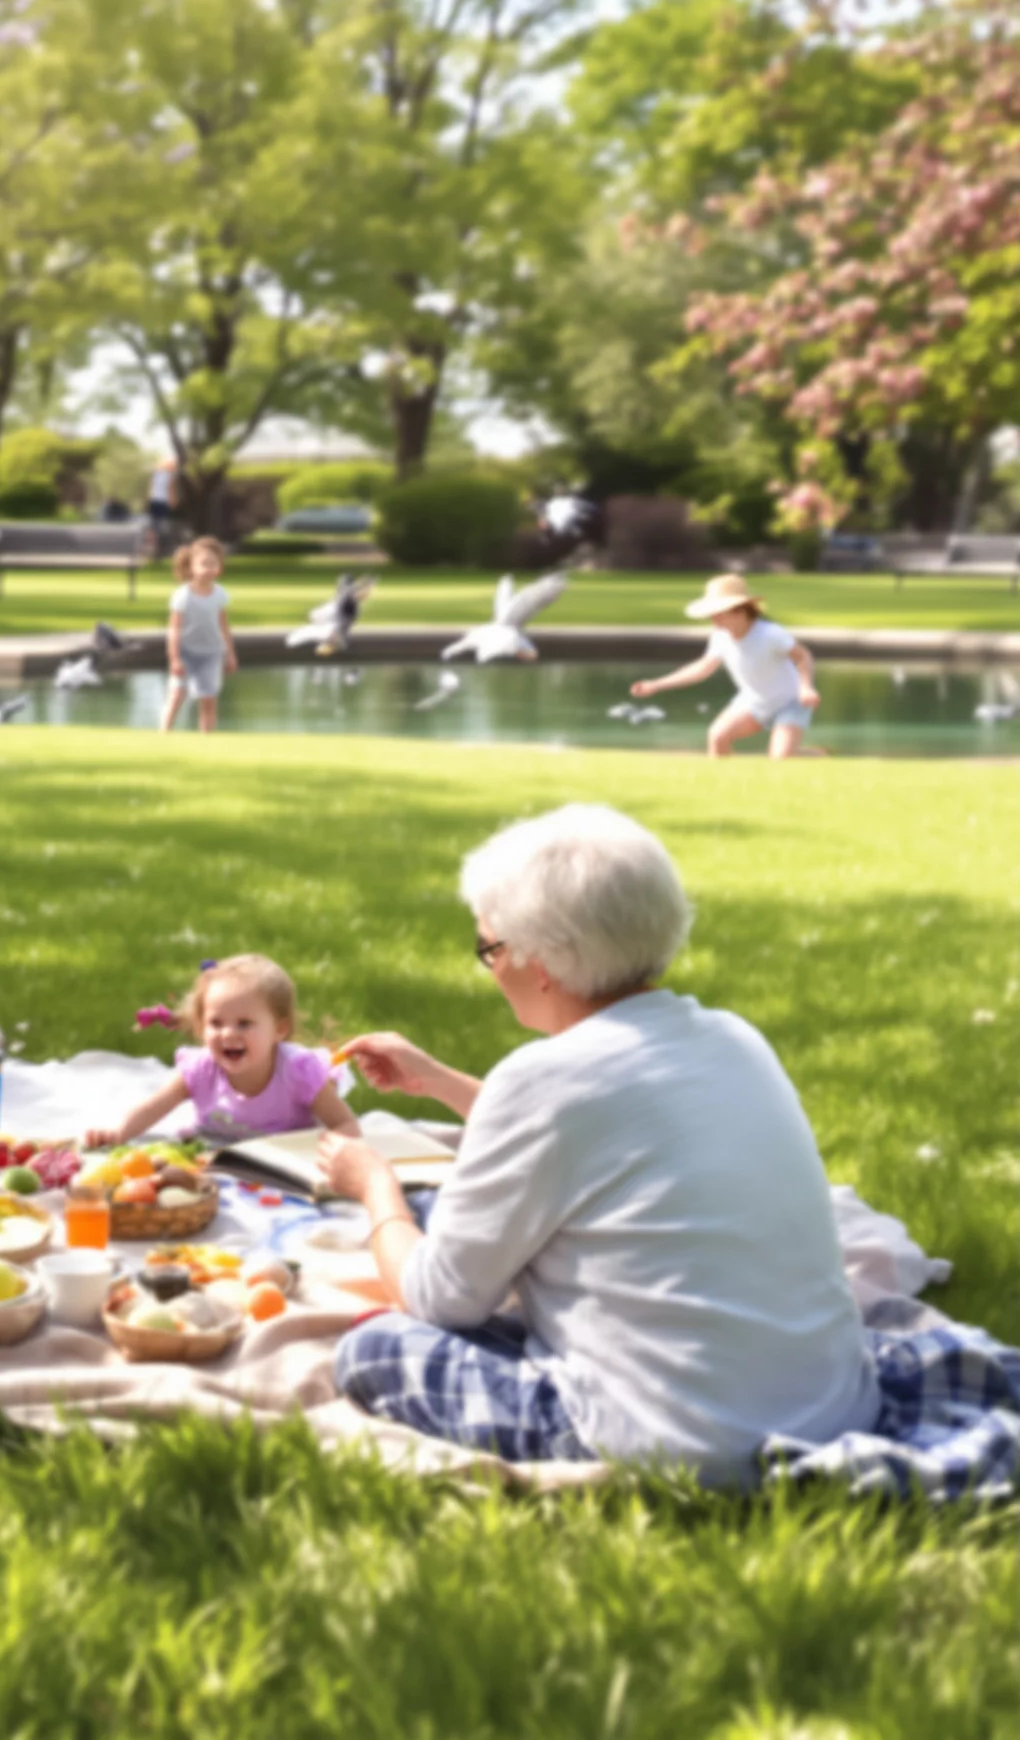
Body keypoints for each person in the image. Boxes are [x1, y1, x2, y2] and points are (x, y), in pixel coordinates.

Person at [316, 804, 878, 1483]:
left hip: (680, 1445)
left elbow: (439, 1299)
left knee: (374, 1346)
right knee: (461, 1225)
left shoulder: (544, 1078)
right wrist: (439, 1083)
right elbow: (594, 1126)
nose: (490, 969)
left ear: (541, 958)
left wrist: (375, 1186)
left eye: (490, 949)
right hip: (831, 1407)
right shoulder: (732, 1037)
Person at [85, 954, 360, 1147]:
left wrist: (329, 1151)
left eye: (244, 1024)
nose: (228, 1034)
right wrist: (118, 1133)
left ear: (279, 1029)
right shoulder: (201, 1068)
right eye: (216, 1023)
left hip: (284, 1165)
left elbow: (346, 1125)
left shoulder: (299, 1073)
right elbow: (153, 1107)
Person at [629, 574, 820, 759]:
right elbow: (703, 668)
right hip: (754, 701)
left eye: (719, 612)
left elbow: (803, 656)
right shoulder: (720, 636)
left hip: (791, 701)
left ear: (739, 610)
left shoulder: (771, 634)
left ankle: (817, 757)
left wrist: (806, 687)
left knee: (781, 758)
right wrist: (656, 685)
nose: (713, 618)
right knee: (717, 737)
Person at [159, 535, 236, 734]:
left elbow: (224, 626)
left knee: (208, 700)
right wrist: (175, 658)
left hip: (211, 653)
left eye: (213, 563)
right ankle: (164, 734)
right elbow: (174, 629)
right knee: (176, 695)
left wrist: (230, 654)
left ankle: (206, 739)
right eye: (204, 564)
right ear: (191, 566)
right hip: (185, 652)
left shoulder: (220, 594)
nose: (209, 568)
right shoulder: (183, 595)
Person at [144, 454, 178, 559]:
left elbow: (151, 489)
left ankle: (152, 546)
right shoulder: (170, 476)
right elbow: (171, 490)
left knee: (153, 526)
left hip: (154, 501)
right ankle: (158, 548)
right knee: (162, 525)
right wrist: (173, 501)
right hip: (162, 502)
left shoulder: (156, 474)